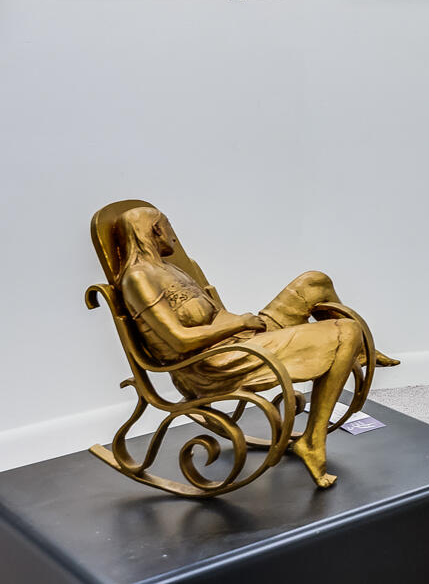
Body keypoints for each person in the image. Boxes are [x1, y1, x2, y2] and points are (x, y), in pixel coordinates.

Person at [115, 205, 398, 489]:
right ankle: (313, 440)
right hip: (215, 361)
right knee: (347, 330)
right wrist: (239, 325)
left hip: (239, 339)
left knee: (315, 281)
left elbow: (214, 316)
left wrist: (244, 324)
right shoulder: (139, 278)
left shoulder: (171, 269)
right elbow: (179, 340)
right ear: (156, 230)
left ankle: (359, 352)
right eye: (169, 227)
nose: (175, 237)